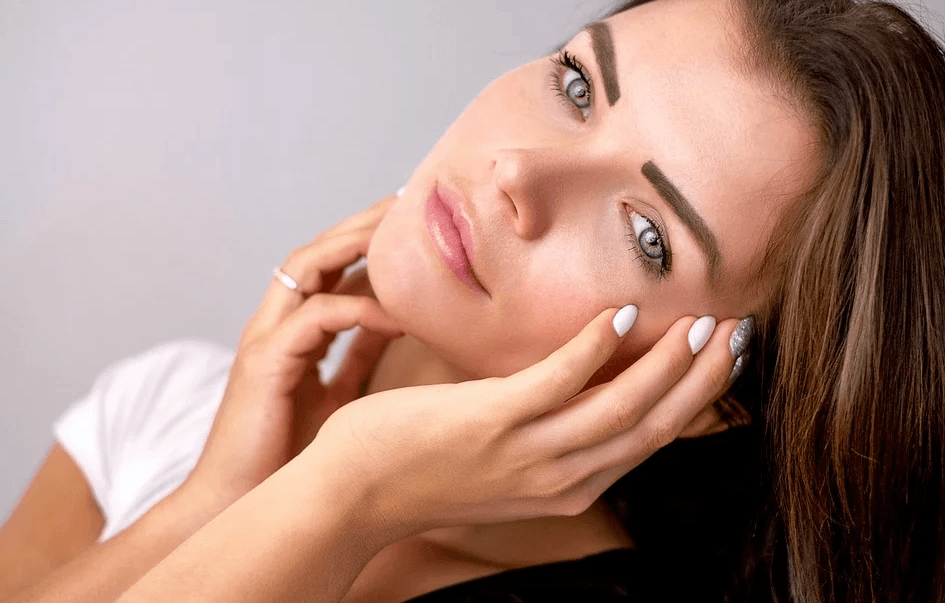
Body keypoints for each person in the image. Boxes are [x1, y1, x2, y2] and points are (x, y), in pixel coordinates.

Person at [1, 0, 943, 600]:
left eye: (646, 231)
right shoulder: (169, 401)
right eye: (577, 84)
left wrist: (351, 489)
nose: (517, 173)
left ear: (713, 398)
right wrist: (213, 501)